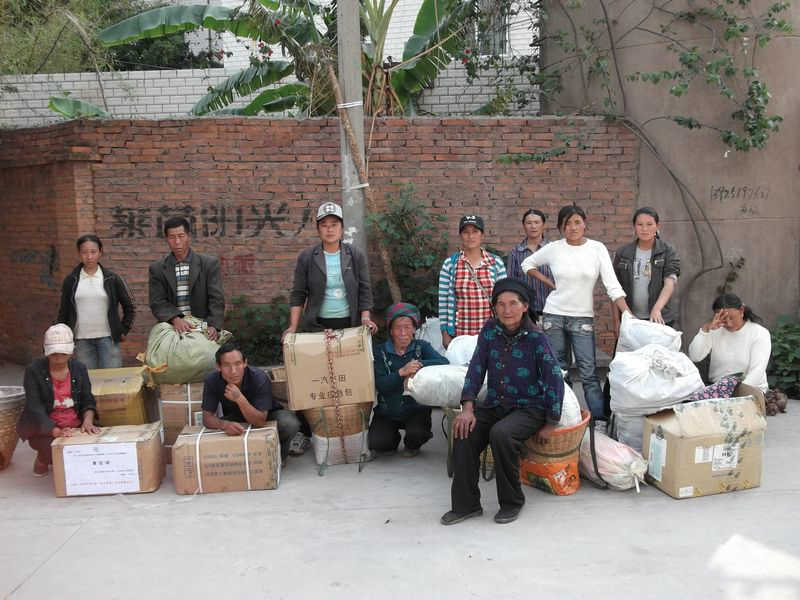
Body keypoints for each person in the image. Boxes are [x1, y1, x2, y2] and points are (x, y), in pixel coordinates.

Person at [442, 278, 564, 526]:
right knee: (464, 432)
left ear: (525, 306)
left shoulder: (536, 338)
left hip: (529, 408)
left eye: (513, 303)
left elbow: (554, 379)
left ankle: (512, 502)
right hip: (496, 404)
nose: (507, 310)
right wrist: (467, 407)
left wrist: (551, 422)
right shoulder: (490, 331)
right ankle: (466, 505)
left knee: (502, 434)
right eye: (500, 304)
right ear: (494, 307)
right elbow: (476, 368)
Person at [283, 202, 377, 456]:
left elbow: (365, 289)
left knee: (351, 379)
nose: (329, 229)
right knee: (315, 381)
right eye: (324, 225)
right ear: (318, 230)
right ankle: (309, 431)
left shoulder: (354, 255)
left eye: (334, 225)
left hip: (349, 326)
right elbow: (298, 293)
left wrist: (365, 318)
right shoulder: (308, 258)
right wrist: (292, 327)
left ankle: (354, 429)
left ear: (342, 228)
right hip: (317, 327)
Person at [521, 204, 631, 419]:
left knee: (588, 374)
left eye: (577, 222)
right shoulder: (554, 248)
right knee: (559, 372)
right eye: (567, 223)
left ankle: (598, 421)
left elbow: (612, 286)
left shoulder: (597, 249)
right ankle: (566, 418)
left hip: (582, 319)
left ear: (584, 224)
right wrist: (548, 282)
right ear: (561, 227)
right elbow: (527, 264)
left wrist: (627, 313)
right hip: (553, 316)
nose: (572, 227)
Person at [17, 324, 100, 476]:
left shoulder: (79, 368)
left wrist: (88, 421)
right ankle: (43, 458)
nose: (58, 357)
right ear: (46, 351)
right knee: (50, 449)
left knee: (95, 446)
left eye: (63, 353)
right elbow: (34, 406)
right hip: (45, 426)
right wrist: (55, 431)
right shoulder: (33, 370)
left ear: (71, 351)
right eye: (54, 353)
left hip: (75, 423)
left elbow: (87, 398)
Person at [368, 302, 449, 458]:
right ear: (391, 331)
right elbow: (382, 385)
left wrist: (419, 364)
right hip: (387, 411)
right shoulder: (380, 351)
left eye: (407, 327)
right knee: (378, 443)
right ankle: (391, 439)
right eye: (398, 328)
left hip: (416, 410)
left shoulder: (421, 347)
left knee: (417, 434)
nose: (403, 333)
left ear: (414, 329)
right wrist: (401, 372)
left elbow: (444, 363)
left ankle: (412, 444)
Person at [202, 342, 301, 462]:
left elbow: (259, 421)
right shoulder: (212, 380)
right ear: (218, 367)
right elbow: (207, 418)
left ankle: (277, 458)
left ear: (245, 363)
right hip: (236, 418)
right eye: (227, 365)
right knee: (211, 430)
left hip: (267, 416)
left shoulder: (259, 377)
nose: (233, 371)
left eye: (238, 364)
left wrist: (239, 398)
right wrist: (225, 425)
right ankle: (235, 460)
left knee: (289, 423)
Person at [56, 234, 135, 369]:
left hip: (108, 338)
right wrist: (63, 335)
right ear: (79, 254)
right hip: (81, 340)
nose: (89, 256)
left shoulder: (112, 278)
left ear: (100, 252)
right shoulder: (71, 280)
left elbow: (129, 307)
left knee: (111, 377)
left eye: (93, 252)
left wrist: (123, 329)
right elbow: (64, 310)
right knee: (87, 378)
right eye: (84, 252)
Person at [149, 216, 224, 341]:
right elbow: (157, 302)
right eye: (172, 237)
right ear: (166, 239)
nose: (177, 241)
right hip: (172, 327)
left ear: (188, 236)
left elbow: (216, 299)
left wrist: (213, 325)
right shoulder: (157, 269)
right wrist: (175, 319)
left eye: (181, 236)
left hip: (203, 326)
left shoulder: (209, 264)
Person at [438, 214, 507, 349]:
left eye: (475, 231)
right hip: (460, 333)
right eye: (466, 232)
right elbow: (443, 301)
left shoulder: (495, 263)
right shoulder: (450, 264)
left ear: (482, 235)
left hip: (491, 332)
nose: (470, 236)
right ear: (460, 236)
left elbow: (504, 298)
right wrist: (445, 332)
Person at [687, 293, 771, 394]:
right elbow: (695, 356)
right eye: (723, 319)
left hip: (750, 390)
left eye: (731, 318)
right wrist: (706, 330)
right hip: (718, 390)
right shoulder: (715, 330)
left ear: (741, 310)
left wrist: (737, 392)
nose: (729, 323)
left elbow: (757, 370)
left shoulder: (759, 333)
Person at [613, 207, 680, 327]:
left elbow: (670, 283)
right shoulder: (623, 253)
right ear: (634, 227)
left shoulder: (667, 251)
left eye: (649, 224)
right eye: (640, 224)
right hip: (631, 320)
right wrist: (618, 320)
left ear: (657, 226)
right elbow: (614, 288)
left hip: (660, 319)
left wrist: (657, 309)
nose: (644, 229)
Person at [507, 209, 553, 316]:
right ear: (523, 226)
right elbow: (512, 284)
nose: (533, 226)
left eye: (537, 222)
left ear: (544, 225)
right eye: (529, 223)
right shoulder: (516, 252)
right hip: (525, 311)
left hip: (552, 309)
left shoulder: (553, 249)